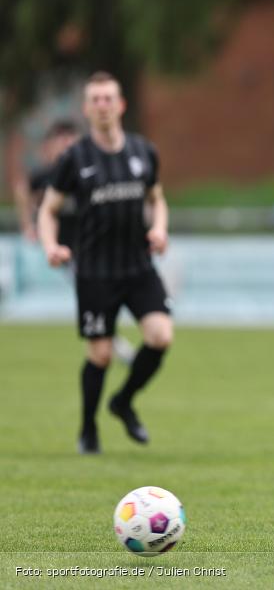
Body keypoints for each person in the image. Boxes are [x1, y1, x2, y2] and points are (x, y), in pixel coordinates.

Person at [38, 71, 173, 455]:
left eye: (108, 98)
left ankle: (124, 400)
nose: (102, 105)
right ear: (86, 108)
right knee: (99, 353)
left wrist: (160, 229)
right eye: (94, 99)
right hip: (95, 271)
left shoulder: (143, 152)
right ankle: (88, 428)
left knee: (161, 335)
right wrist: (51, 245)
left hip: (138, 266)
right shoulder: (74, 159)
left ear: (121, 104)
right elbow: (48, 210)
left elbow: (157, 198)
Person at [25, 120, 137, 364]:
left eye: (71, 142)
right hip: (67, 251)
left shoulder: (90, 171)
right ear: (50, 146)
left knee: (102, 295)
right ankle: (111, 343)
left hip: (94, 246)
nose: (66, 147)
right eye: (61, 142)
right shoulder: (44, 175)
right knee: (92, 296)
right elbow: (30, 196)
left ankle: (109, 339)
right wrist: (31, 227)